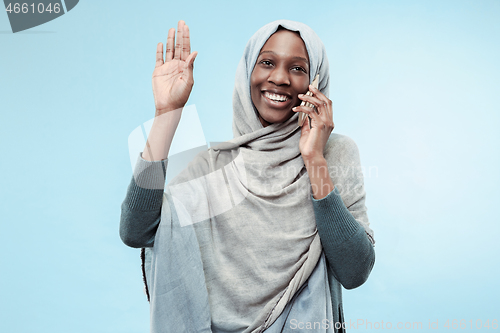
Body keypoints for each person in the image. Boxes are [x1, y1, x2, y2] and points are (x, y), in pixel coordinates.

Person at [120, 19, 375, 333]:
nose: (280, 78)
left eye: (298, 68)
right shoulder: (213, 167)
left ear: (316, 81)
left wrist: (314, 160)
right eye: (267, 62)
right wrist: (167, 114)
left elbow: (355, 270)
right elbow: (135, 230)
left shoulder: (334, 154)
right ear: (247, 73)